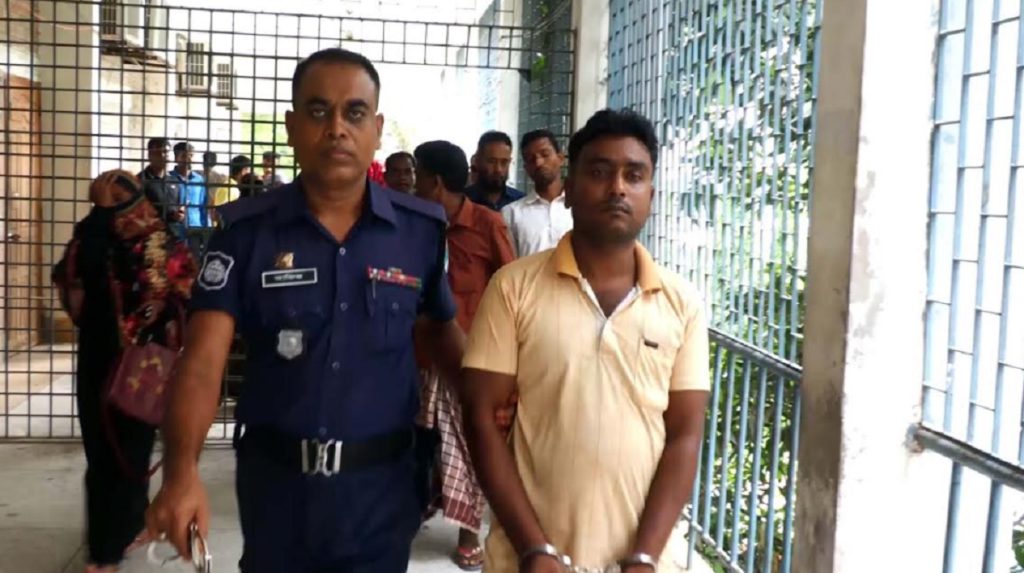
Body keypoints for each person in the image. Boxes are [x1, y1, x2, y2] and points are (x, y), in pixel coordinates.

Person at [145, 48, 466, 573]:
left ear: (377, 129)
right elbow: (202, 362)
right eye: (318, 111)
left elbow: (442, 337)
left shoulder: (419, 233)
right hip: (277, 491)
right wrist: (181, 474)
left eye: (355, 113)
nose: (337, 128)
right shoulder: (245, 234)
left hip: (382, 492)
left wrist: (497, 410)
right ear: (292, 128)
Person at [460, 109, 711, 572]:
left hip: (644, 561)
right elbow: (480, 417)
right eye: (599, 172)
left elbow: (685, 434)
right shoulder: (513, 288)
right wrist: (534, 549)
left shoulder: (682, 304)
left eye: (634, 175)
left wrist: (644, 556)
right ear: (569, 189)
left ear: (650, 195)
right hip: (528, 560)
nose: (617, 188)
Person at [52, 171, 195, 573]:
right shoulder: (93, 237)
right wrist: (100, 222)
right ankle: (110, 543)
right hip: (106, 361)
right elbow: (73, 279)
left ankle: (112, 545)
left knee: (127, 452)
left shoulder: (158, 241)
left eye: (115, 201)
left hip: (139, 362)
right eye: (102, 201)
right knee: (107, 454)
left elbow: (186, 292)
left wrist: (161, 308)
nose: (109, 209)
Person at [411, 140, 515, 570]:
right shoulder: (416, 225)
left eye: (418, 177)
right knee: (418, 441)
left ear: (435, 182)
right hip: (420, 355)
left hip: (470, 359)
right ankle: (417, 507)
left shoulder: (487, 225)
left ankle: (469, 533)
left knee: (470, 445)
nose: (413, 185)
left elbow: (510, 289)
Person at [501, 129, 573, 257]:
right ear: (526, 168)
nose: (538, 163)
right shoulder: (511, 213)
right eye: (530, 159)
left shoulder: (582, 207)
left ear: (561, 158)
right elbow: (510, 263)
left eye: (545, 155)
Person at [465, 131, 525, 211]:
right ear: (477, 161)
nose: (498, 169)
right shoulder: (462, 201)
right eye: (491, 161)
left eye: (504, 162)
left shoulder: (521, 202)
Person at [138, 137, 185, 233]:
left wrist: (180, 214)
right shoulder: (140, 181)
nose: (164, 156)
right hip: (150, 235)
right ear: (149, 155)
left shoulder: (174, 181)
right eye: (159, 152)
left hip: (173, 234)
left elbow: (179, 206)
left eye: (166, 152)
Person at [167, 142, 208, 229]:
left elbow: (203, 207)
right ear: (176, 158)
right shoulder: (168, 179)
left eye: (191, 156)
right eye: (184, 156)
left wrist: (207, 228)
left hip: (196, 227)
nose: (189, 159)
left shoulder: (199, 180)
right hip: (175, 229)